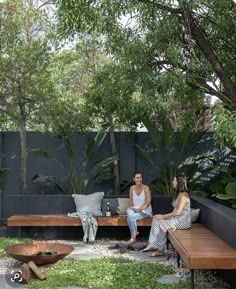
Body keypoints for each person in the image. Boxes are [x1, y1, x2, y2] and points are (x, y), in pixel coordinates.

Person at [142, 175, 191, 256]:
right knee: (156, 218)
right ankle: (153, 245)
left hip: (182, 222)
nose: (172, 182)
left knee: (160, 222)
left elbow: (178, 212)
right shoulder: (178, 194)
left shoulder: (184, 195)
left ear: (179, 183)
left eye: (174, 181)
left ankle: (159, 249)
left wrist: (163, 216)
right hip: (175, 219)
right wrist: (161, 216)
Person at [125, 172, 152, 244]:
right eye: (137, 178)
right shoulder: (131, 188)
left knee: (130, 218)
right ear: (134, 179)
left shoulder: (146, 188)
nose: (139, 179)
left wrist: (139, 209)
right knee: (128, 210)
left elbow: (148, 202)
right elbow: (131, 201)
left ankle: (133, 238)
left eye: (140, 177)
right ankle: (135, 232)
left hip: (145, 211)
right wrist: (133, 209)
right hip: (135, 210)